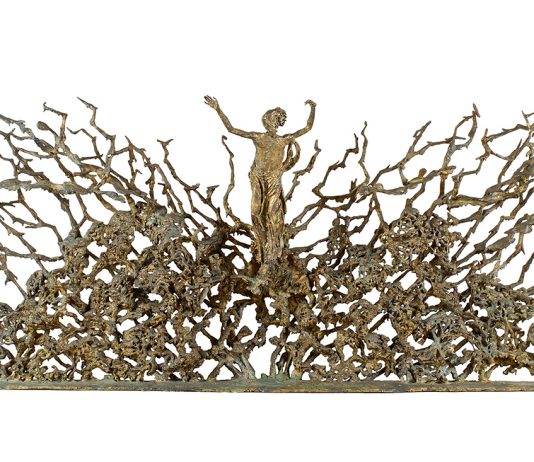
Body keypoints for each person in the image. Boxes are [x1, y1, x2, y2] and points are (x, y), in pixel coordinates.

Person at [204, 95, 316, 263]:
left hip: (273, 178)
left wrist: (313, 108)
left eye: (274, 121)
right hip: (257, 177)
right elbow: (232, 129)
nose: (271, 124)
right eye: (270, 120)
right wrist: (218, 109)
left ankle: (274, 249)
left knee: (272, 212)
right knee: (256, 211)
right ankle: (262, 245)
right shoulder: (258, 137)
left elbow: (307, 128)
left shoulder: (284, 140)